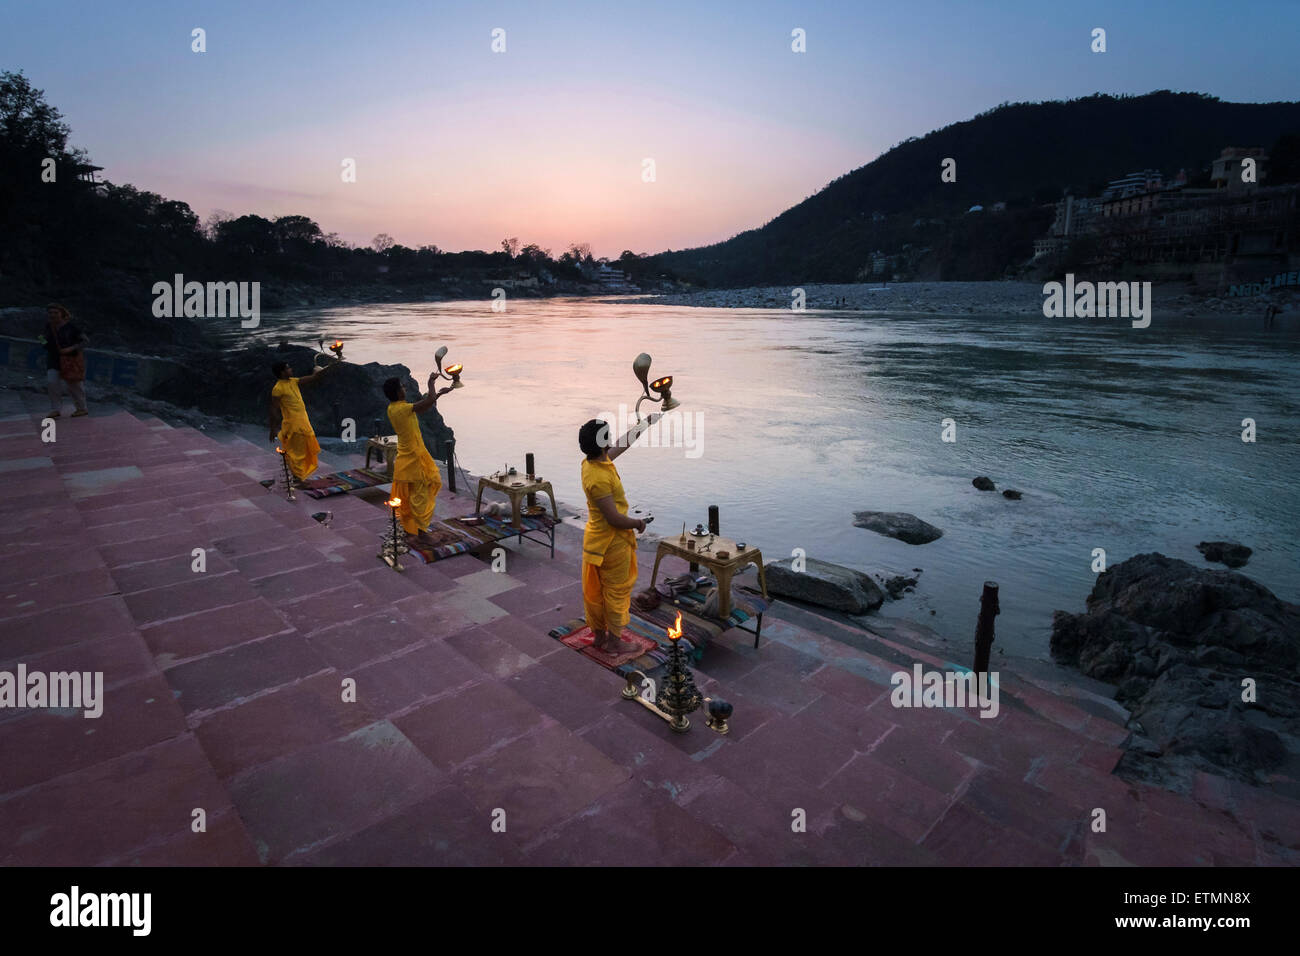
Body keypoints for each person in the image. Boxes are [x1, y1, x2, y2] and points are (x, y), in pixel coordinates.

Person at [579, 416, 654, 655]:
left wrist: (644, 425)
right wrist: (638, 523)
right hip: (611, 543)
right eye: (607, 435)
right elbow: (614, 518)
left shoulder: (592, 464)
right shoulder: (600, 477)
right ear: (602, 443)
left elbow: (621, 445)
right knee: (616, 591)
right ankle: (614, 642)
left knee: (598, 592)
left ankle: (600, 636)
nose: (611, 439)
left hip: (596, 541)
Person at [383, 374, 450, 543]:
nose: (405, 389)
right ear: (398, 392)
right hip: (413, 458)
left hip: (411, 456)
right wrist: (431, 383)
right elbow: (426, 403)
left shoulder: (395, 408)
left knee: (415, 494)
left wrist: (438, 394)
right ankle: (421, 533)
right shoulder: (402, 409)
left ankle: (412, 529)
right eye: (403, 387)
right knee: (421, 494)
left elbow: (423, 406)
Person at [268, 359, 335, 481]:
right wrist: (273, 429)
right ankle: (298, 478)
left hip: (304, 422)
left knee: (304, 449)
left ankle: (299, 476)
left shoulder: (293, 381)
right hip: (293, 424)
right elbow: (274, 410)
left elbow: (314, 377)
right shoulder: (277, 389)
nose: (291, 370)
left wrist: (331, 366)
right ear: (282, 372)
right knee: (297, 453)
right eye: (288, 368)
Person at [43, 304, 89, 418]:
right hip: (53, 358)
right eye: (50, 313)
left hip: (70, 359)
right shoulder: (48, 326)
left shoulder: (72, 327)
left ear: (62, 314)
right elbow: (42, 338)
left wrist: (70, 348)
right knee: (51, 382)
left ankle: (82, 408)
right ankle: (55, 409)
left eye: (55, 312)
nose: (53, 315)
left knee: (75, 385)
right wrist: (44, 343)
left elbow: (85, 341)